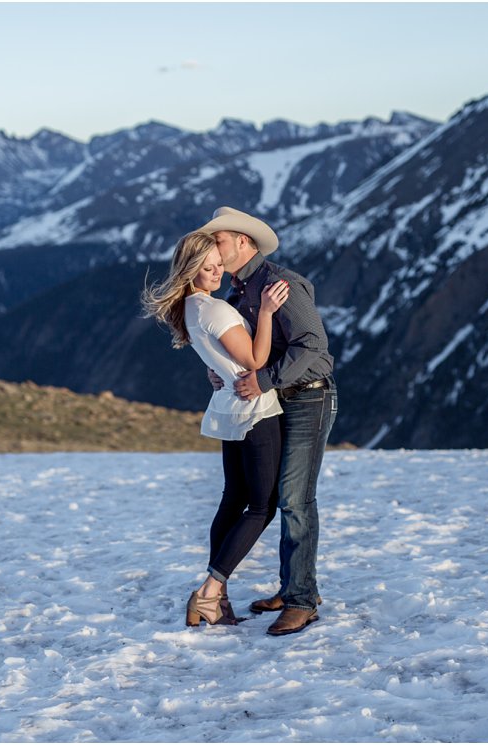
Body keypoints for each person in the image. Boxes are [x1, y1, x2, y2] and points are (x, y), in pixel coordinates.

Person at [198, 207, 337, 637]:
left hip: (309, 398)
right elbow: (246, 350)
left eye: (217, 241)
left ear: (243, 241)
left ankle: (301, 601)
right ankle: (293, 587)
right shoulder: (238, 294)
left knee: (295, 498)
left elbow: (315, 347)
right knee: (277, 495)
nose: (212, 251)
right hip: (275, 400)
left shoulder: (281, 284)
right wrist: (220, 369)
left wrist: (264, 379)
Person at [141, 230, 290, 627]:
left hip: (228, 408)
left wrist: (219, 367)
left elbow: (218, 355)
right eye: (207, 268)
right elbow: (256, 360)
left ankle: (217, 598)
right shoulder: (219, 311)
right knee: (261, 506)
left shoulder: (190, 308)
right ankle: (209, 592)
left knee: (232, 498)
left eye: (219, 264)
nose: (217, 273)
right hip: (255, 409)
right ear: (190, 271)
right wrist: (266, 313)